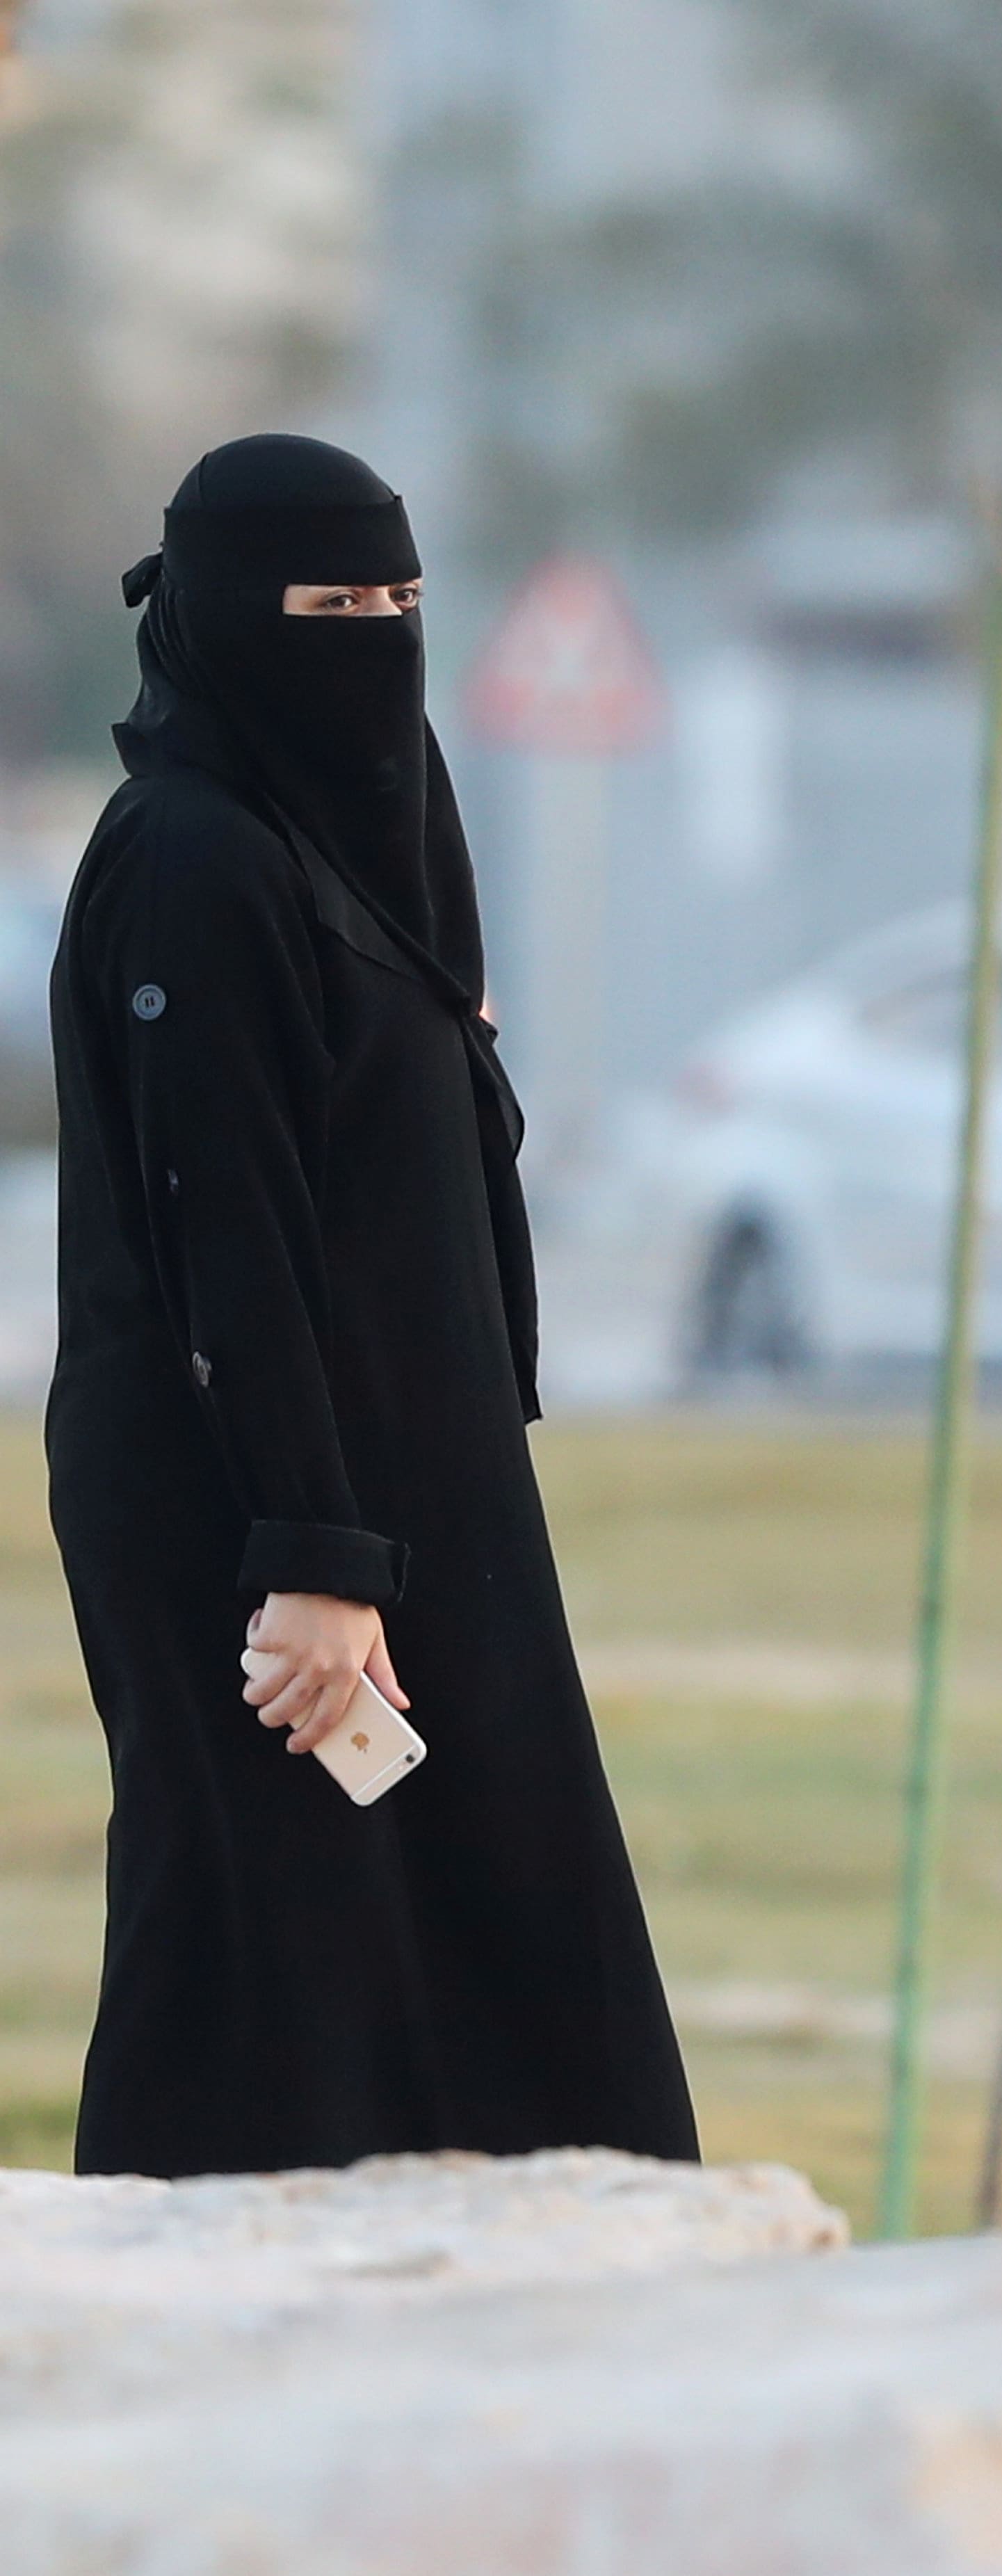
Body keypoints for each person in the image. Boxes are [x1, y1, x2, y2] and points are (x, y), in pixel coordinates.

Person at [50, 434, 697, 2177]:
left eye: (402, 597)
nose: (379, 636)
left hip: (414, 1476)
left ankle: (520, 2304)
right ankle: (173, 2312)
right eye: (331, 603)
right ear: (218, 615)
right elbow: (229, 1224)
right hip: (248, 1494)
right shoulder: (191, 857)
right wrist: (312, 1551)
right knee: (262, 1937)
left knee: (495, 1913)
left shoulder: (359, 843)